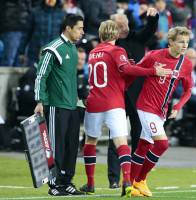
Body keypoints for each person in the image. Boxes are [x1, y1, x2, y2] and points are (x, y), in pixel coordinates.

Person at [79, 20, 171, 197]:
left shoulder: (92, 53)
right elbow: (126, 69)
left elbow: (120, 79)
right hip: (114, 103)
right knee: (121, 143)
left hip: (94, 102)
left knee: (90, 141)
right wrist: (152, 71)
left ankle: (90, 183)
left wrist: (129, 72)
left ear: (100, 34)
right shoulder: (117, 50)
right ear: (115, 35)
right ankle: (127, 181)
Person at [130, 26, 193, 197]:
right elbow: (135, 70)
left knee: (144, 146)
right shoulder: (154, 56)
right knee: (162, 144)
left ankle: (130, 184)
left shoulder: (186, 64)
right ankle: (140, 180)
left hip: (161, 111)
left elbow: (188, 90)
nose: (184, 45)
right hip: (146, 106)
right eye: (181, 41)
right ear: (171, 42)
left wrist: (178, 106)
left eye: (187, 42)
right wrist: (151, 71)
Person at [33, 14, 84, 196]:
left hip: (72, 106)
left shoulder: (72, 48)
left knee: (72, 146)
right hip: (56, 106)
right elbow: (41, 76)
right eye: (79, 28)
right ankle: (54, 184)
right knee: (56, 146)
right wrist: (40, 101)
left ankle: (66, 181)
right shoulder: (53, 48)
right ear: (68, 28)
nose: (82, 32)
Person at [108, 8, 159, 189]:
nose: (124, 27)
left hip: (138, 97)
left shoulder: (137, 38)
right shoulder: (111, 45)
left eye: (126, 24)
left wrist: (153, 18)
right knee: (116, 139)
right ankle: (113, 179)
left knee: (138, 137)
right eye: (120, 25)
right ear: (113, 27)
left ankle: (136, 177)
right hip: (118, 97)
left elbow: (150, 30)